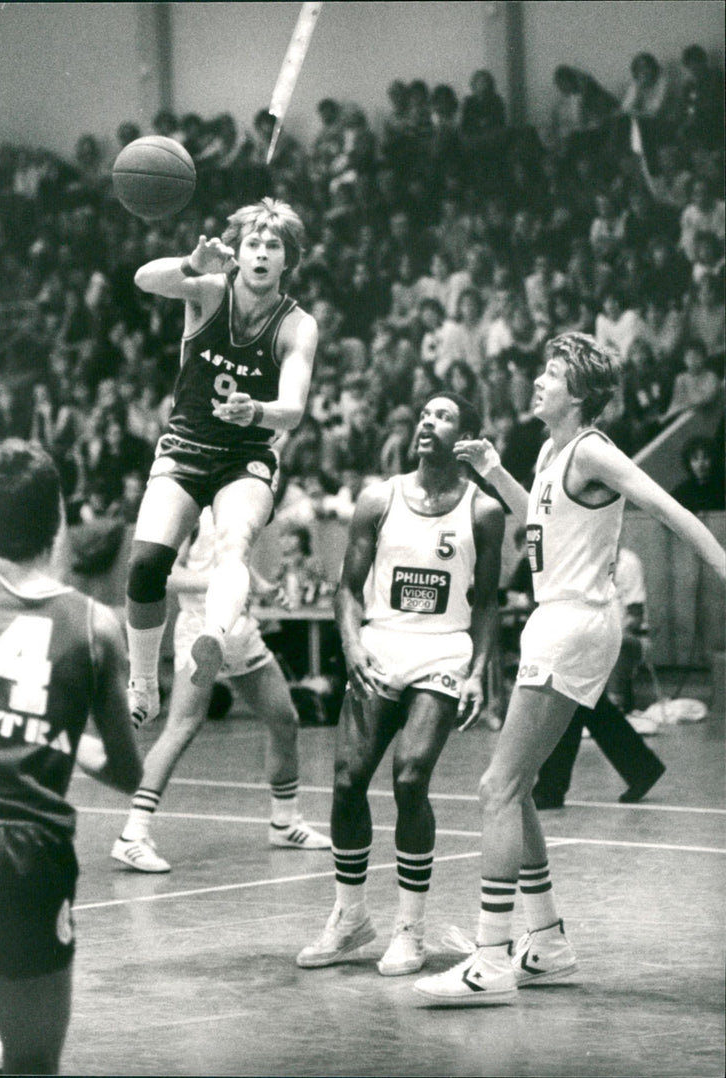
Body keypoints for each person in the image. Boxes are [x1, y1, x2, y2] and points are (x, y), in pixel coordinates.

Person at [412, 332, 725, 1006]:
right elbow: (542, 526)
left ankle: (491, 961)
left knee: (496, 785)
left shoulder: (593, 450)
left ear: (579, 395)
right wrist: (496, 471)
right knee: (516, 787)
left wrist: (723, 563)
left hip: (575, 623)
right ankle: (546, 943)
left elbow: (666, 508)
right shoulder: (554, 453)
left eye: (552, 374)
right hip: (560, 618)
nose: (539, 381)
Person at [0, 439, 142, 1073]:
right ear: (57, 522)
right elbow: (131, 774)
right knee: (32, 1064)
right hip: (32, 855)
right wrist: (51, 736)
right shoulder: (98, 626)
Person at [296, 392, 504, 977]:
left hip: (443, 650)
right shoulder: (377, 497)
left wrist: (479, 673)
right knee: (346, 780)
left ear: (465, 438)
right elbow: (346, 587)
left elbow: (487, 603)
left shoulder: (483, 511)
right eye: (422, 414)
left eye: (442, 417)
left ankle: (409, 928)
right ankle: (349, 917)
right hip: (382, 644)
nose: (425, 424)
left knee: (410, 777)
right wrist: (352, 642)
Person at [124, 198, 318, 728]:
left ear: (287, 259)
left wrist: (256, 410)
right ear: (238, 252)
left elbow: (294, 410)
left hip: (245, 456)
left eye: (272, 246)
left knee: (234, 544)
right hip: (185, 448)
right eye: (252, 243)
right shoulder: (209, 291)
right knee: (145, 564)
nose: (260, 253)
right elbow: (143, 278)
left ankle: (214, 634)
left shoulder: (297, 325)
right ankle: (142, 680)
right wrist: (190, 263)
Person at [112, 508, 329, 872]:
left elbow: (236, 562)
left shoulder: (238, 503)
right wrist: (220, 583)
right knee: (181, 727)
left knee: (284, 718)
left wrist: (259, 586)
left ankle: (285, 821)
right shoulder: (187, 509)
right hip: (200, 627)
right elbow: (167, 576)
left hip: (240, 630)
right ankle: (132, 835)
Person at [531, 544, 666, 809]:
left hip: (598, 631)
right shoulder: (576, 551)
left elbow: (635, 612)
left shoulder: (624, 560)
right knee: (583, 702)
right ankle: (640, 768)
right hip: (582, 629)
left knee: (570, 698)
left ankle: (551, 787)